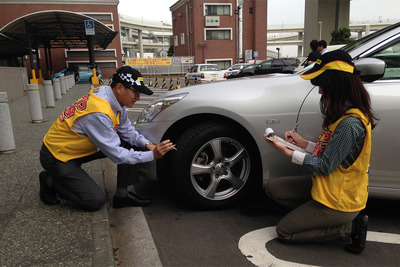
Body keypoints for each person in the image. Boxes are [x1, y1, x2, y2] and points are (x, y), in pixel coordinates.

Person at [263, 50, 378, 254]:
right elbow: (330, 152)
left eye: (322, 85)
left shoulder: (350, 123)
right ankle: (315, 216)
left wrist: (287, 151)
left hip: (340, 200)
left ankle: (348, 227)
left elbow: (325, 166)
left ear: (335, 85)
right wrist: (303, 143)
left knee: (285, 231)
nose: (320, 92)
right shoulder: (344, 115)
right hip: (327, 188)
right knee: (274, 188)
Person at [39, 66, 176, 211]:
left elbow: (128, 132)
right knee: (95, 201)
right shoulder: (99, 112)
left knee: (130, 143)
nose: (138, 98)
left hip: (75, 148)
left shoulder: (113, 98)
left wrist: (148, 145)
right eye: (135, 92)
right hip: (57, 155)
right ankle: (50, 180)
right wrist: (152, 155)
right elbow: (117, 155)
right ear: (119, 87)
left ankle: (122, 196)